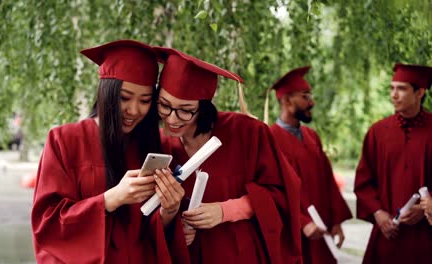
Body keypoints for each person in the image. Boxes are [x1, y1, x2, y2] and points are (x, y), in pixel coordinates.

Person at [31, 40, 188, 263]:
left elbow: (152, 235)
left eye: (145, 101)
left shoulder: (156, 147)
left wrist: (170, 211)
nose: (134, 110)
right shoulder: (64, 141)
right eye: (124, 98)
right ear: (107, 91)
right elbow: (48, 224)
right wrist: (111, 199)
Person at [154, 47, 302, 264]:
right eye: (164, 105)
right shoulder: (160, 144)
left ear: (204, 108)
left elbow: (281, 193)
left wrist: (227, 210)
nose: (172, 119)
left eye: (185, 110)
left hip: (240, 254)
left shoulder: (247, 132)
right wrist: (174, 229)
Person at [267, 66, 352, 264]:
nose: (311, 102)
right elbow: (271, 191)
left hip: (322, 230)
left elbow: (328, 182)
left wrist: (336, 221)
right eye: (305, 97)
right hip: (293, 233)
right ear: (287, 101)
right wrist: (302, 222)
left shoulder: (311, 136)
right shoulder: (270, 139)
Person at [354, 63, 432, 264]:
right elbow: (364, 181)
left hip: (426, 238)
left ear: (420, 92)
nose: (394, 95)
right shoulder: (378, 132)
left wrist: (426, 208)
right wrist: (379, 215)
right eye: (392, 88)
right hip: (389, 236)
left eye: (401, 88)